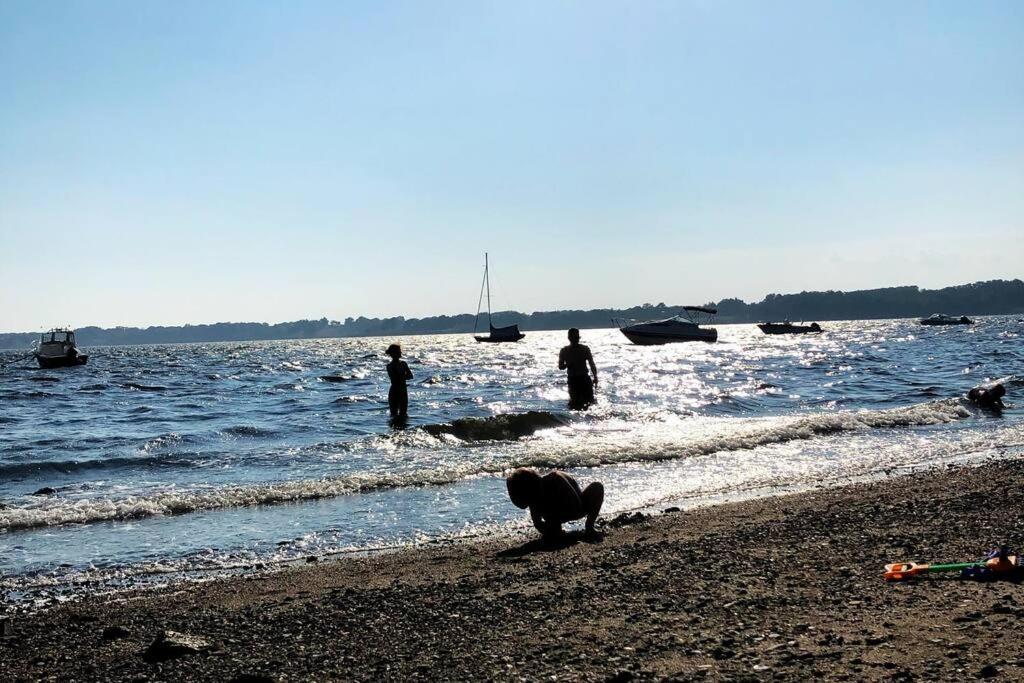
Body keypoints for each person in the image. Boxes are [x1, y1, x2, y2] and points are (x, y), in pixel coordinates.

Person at [505, 468, 603, 538]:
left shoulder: (556, 479)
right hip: (555, 515)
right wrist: (548, 531)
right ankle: (556, 531)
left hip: (579, 506)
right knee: (552, 530)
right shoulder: (534, 497)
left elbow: (575, 505)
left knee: (597, 487)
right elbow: (538, 523)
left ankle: (589, 527)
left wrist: (554, 520)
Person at [558, 328, 598, 410]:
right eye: (574, 337)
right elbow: (561, 367)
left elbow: (591, 364)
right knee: (587, 403)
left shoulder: (566, 350)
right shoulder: (565, 350)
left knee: (579, 404)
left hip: (580, 379)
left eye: (575, 337)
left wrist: (595, 377)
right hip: (576, 380)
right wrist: (595, 377)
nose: (575, 339)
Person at [385, 343, 413, 419]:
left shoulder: (404, 364)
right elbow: (395, 379)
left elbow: (411, 376)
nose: (401, 352)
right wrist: (403, 377)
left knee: (404, 414)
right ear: (394, 353)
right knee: (394, 415)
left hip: (403, 390)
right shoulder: (390, 366)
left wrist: (402, 377)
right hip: (395, 391)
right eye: (399, 351)